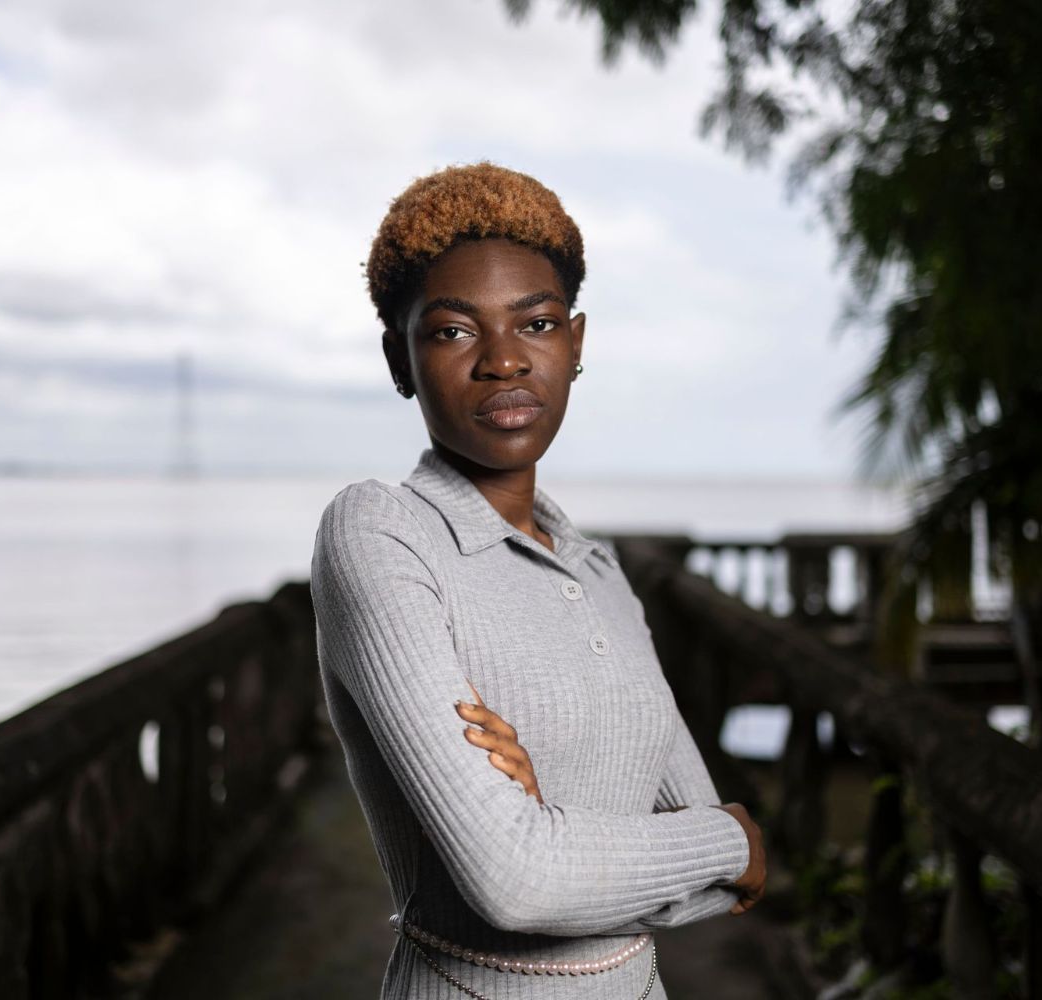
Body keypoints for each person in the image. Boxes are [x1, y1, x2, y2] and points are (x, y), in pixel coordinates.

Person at [310, 162, 767, 999]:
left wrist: (549, 818)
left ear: (576, 345)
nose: (504, 362)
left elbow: (706, 895)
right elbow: (518, 883)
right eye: (452, 331)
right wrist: (737, 841)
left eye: (539, 323)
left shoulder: (597, 570)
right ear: (398, 358)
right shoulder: (379, 534)